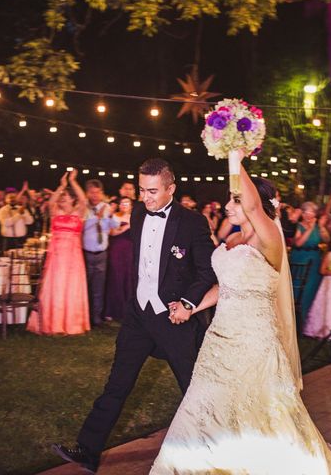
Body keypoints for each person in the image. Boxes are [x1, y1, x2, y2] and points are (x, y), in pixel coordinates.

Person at [150, 154, 331, 474]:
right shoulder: (233, 238)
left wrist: (232, 154)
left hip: (255, 341)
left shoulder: (270, 239)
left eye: (236, 200)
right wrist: (191, 307)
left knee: (260, 409)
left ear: (258, 205)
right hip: (220, 340)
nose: (229, 206)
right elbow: (224, 286)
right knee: (204, 403)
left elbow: (254, 208)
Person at [52, 158, 217, 472]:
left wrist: (188, 304)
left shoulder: (192, 222)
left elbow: (207, 270)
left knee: (193, 388)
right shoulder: (139, 212)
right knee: (117, 384)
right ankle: (88, 449)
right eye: (142, 190)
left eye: (153, 191)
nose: (146, 197)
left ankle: (215, 450)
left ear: (171, 188)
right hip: (139, 315)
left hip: (173, 317)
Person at [26, 170, 90, 335]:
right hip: (56, 258)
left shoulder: (79, 213)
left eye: (66, 196)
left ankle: (71, 323)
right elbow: (50, 202)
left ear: (73, 199)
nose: (62, 198)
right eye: (61, 196)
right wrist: (61, 186)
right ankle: (53, 323)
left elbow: (83, 199)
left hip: (73, 258)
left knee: (72, 287)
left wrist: (73, 182)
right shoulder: (56, 212)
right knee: (56, 286)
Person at [82, 179, 118, 326]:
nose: (95, 195)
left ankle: (97, 318)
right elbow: (83, 227)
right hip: (86, 253)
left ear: (101, 193)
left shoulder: (106, 207)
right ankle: (85, 317)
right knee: (85, 287)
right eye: (92, 192)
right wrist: (97, 217)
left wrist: (110, 215)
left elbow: (115, 225)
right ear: (87, 193)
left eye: (98, 192)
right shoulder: (84, 208)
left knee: (99, 287)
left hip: (102, 253)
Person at [289, 201, 330, 324]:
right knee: (298, 288)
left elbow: (327, 239)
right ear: (302, 213)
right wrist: (310, 228)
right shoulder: (298, 226)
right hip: (299, 258)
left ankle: (308, 320)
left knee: (311, 288)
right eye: (306, 212)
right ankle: (295, 320)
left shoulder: (318, 227)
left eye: (311, 212)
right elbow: (298, 243)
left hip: (314, 260)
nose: (309, 215)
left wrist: (321, 227)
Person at [102, 196, 134, 322]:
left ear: (131, 205)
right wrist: (127, 226)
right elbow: (112, 232)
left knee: (128, 278)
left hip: (130, 251)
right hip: (116, 250)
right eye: (122, 203)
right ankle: (112, 310)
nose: (124, 205)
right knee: (115, 278)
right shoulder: (115, 216)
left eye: (127, 203)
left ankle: (127, 310)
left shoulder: (136, 217)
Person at [0, 185, 34, 251]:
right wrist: (18, 214)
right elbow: (6, 223)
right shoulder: (2, 210)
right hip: (9, 240)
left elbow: (30, 221)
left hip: (22, 239)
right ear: (6, 200)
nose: (12, 199)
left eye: (14, 197)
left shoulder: (22, 208)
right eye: (10, 198)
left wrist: (24, 214)